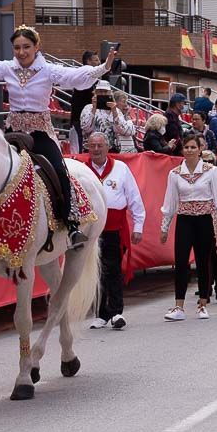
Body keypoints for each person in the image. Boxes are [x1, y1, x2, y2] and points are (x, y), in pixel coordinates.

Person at [0, 26, 115, 248]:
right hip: (13, 132)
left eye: (26, 47)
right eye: (17, 47)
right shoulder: (7, 68)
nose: (21, 52)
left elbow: (73, 76)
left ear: (37, 47)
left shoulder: (48, 70)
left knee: (59, 169)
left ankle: (70, 224)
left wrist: (104, 67)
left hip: (40, 133)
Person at [160, 134, 217, 321]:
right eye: (186, 147)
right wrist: (165, 226)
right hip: (185, 219)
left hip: (205, 219)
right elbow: (170, 201)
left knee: (203, 260)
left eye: (193, 147)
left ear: (200, 149)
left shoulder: (212, 171)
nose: (190, 150)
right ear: (182, 150)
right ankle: (179, 306)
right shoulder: (175, 174)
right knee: (181, 261)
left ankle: (202, 303)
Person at [86, 133, 144, 329]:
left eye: (99, 145)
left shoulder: (121, 169)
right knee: (96, 272)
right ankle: (100, 314)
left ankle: (116, 312)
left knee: (113, 270)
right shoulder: (82, 170)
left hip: (114, 229)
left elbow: (134, 198)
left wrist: (138, 226)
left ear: (107, 147)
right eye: (92, 145)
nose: (96, 149)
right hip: (91, 229)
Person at [81, 81, 134, 148]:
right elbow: (86, 128)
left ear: (110, 93)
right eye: (100, 91)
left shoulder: (116, 110)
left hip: (112, 149)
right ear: (95, 93)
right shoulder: (88, 108)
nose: (103, 94)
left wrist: (114, 111)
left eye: (105, 92)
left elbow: (123, 130)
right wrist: (94, 108)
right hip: (92, 148)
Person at [70, 50, 99, 150]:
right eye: (96, 60)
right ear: (88, 61)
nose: (98, 62)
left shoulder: (94, 78)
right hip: (79, 118)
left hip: (90, 118)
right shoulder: (83, 76)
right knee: (79, 145)